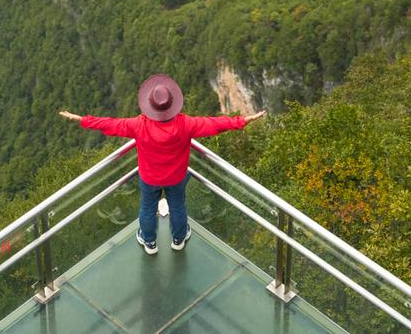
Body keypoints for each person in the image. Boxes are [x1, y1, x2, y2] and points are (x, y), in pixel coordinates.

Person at [59, 73, 266, 255]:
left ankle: (149, 242)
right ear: (172, 104)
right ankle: (178, 239)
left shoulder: (139, 125)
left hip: (150, 178)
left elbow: (111, 125)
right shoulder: (186, 124)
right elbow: (215, 124)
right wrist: (243, 120)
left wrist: (81, 119)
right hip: (176, 176)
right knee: (177, 206)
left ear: (150, 105)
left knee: (148, 208)